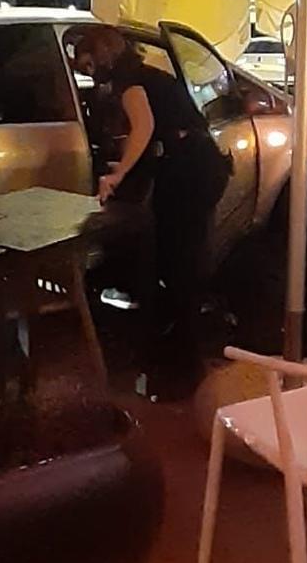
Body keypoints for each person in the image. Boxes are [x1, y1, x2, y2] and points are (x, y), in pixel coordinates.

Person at [69, 25, 229, 377]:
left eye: (87, 65)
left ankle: (181, 357)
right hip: (202, 162)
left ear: (101, 54)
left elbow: (143, 128)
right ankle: (184, 345)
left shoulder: (130, 83)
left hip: (189, 167)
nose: (86, 73)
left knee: (178, 253)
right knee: (186, 250)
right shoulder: (146, 74)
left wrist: (118, 174)